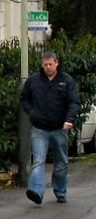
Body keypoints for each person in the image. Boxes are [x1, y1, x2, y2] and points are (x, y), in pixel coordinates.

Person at [20, 51, 80, 204]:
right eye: (45, 65)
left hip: (60, 128)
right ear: (42, 65)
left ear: (56, 63)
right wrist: (32, 113)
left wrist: (70, 119)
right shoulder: (34, 80)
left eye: (50, 64)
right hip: (39, 128)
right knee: (38, 160)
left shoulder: (66, 81)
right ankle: (36, 191)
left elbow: (74, 102)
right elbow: (24, 98)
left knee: (61, 162)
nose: (48, 67)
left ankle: (60, 191)